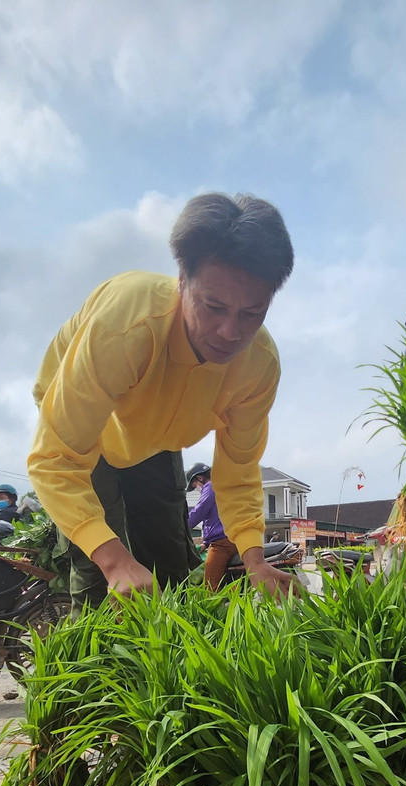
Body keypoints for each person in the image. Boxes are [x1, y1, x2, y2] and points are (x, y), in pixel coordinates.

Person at [28, 193, 303, 611]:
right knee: (99, 566)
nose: (230, 332)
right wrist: (115, 561)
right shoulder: (127, 327)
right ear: (181, 279)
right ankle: (96, 670)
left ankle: (177, 670)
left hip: (155, 437)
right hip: (88, 430)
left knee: (171, 560)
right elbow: (55, 459)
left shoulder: (258, 365)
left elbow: (239, 468)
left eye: (252, 313)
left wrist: (255, 561)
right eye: (213, 307)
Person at [186, 462, 237, 591]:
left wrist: (182, 526)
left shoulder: (210, 487)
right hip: (233, 539)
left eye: (194, 486)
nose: (197, 489)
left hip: (222, 544)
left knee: (210, 586)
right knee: (224, 578)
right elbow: (216, 518)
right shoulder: (222, 487)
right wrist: (206, 543)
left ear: (199, 478)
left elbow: (200, 510)